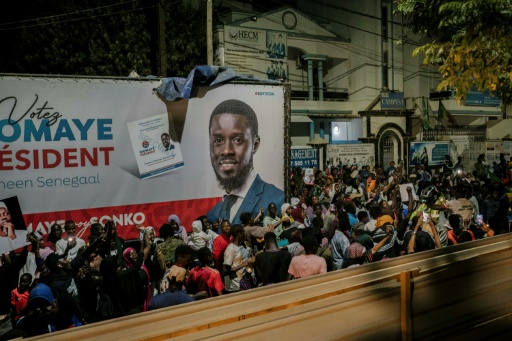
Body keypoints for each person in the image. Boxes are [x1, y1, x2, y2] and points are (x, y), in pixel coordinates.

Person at [206, 99, 284, 225]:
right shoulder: (212, 214)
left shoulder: (278, 200)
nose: (226, 151)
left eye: (237, 140)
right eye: (218, 140)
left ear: (255, 144)